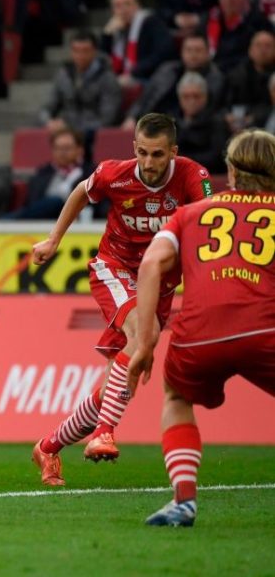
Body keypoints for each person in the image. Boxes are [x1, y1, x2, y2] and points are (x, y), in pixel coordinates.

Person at [29, 113, 212, 487]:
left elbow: (211, 220)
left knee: (118, 383)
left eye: (158, 155)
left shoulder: (194, 177)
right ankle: (104, 432)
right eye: (142, 153)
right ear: (134, 149)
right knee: (142, 338)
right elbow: (82, 191)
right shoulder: (117, 173)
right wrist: (53, 239)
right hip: (116, 269)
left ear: (173, 152)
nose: (148, 162)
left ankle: (47, 447)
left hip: (159, 284)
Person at [127, 129, 275, 527]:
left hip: (200, 332)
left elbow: (150, 265)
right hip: (265, 330)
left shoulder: (191, 213)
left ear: (229, 169)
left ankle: (184, 502)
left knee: (176, 397)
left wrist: (144, 342)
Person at [123, 34, 226, 128]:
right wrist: (132, 117)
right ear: (182, 52)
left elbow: (213, 111)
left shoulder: (215, 78)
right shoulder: (167, 71)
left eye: (198, 50)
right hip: (153, 124)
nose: (193, 55)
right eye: (189, 50)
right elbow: (144, 98)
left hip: (191, 130)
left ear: (208, 53)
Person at [38, 30, 122, 139]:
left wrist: (72, 129)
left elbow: (107, 119)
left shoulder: (107, 78)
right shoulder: (64, 75)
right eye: (76, 50)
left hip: (94, 137)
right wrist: (49, 121)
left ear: (95, 51)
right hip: (66, 134)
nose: (80, 55)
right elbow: (47, 107)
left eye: (85, 51)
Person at [5, 127, 91, 220]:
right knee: (52, 202)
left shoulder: (90, 173)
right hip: (42, 221)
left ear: (80, 149)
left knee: (58, 201)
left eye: (67, 148)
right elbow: (32, 205)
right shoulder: (42, 173)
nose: (62, 152)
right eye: (58, 148)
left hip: (73, 220)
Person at [100, 0, 174, 86]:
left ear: (137, 5)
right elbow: (102, 60)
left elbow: (163, 53)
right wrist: (106, 35)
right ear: (112, 10)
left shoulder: (151, 22)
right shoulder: (114, 28)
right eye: (118, 6)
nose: (123, 10)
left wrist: (134, 72)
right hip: (121, 78)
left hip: (148, 78)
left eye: (127, 4)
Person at [200, 0, 272, 73]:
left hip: (243, 73)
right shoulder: (208, 19)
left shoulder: (258, 22)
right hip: (211, 71)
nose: (230, 0)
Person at [173, 72, 227, 173]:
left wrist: (184, 161)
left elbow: (217, 157)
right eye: (186, 96)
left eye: (196, 96)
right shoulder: (172, 122)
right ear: (179, 98)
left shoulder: (217, 122)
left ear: (206, 97)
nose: (191, 101)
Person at [223, 29, 275, 132]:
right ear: (250, 50)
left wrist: (254, 117)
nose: (263, 50)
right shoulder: (236, 75)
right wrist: (227, 116)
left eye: (268, 46)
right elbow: (223, 104)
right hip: (238, 121)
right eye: (258, 45)